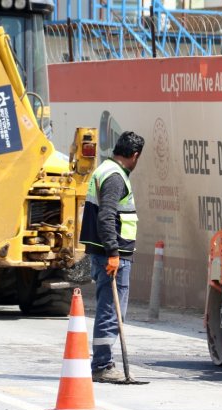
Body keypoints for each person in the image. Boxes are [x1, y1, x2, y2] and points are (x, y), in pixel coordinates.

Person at [79, 131, 144, 383]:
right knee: (112, 311)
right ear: (134, 156)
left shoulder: (104, 170)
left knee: (109, 309)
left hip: (104, 253)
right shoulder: (115, 177)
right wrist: (114, 253)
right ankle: (103, 365)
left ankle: (103, 362)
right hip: (112, 257)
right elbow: (106, 217)